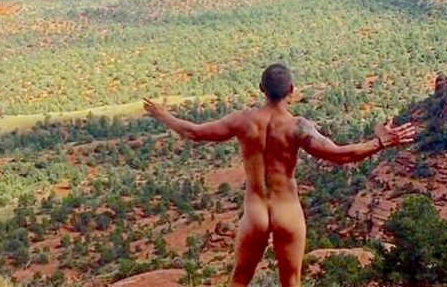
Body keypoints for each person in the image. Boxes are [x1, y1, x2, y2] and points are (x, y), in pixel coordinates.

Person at [143, 63, 417, 287]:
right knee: (291, 282)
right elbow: (340, 155)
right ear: (292, 90)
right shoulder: (298, 126)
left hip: (255, 212)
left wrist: (163, 115)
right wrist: (380, 142)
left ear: (261, 88)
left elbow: (194, 132)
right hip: (287, 210)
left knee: (239, 280)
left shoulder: (243, 120)